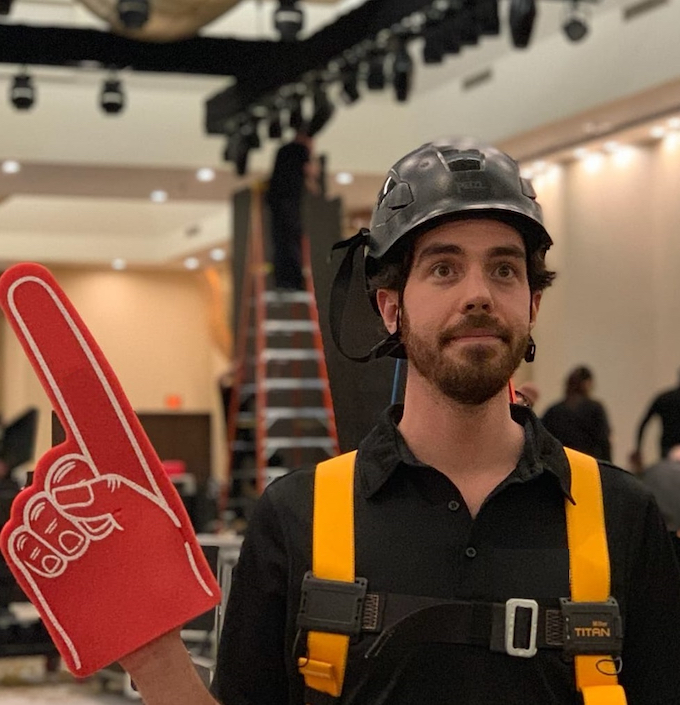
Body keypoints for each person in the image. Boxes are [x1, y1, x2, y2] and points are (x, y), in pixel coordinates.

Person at [76, 139, 680, 704]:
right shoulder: (298, 520)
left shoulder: (622, 516)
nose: (479, 294)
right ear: (391, 307)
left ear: (532, 303)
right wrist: (155, 659)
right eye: (444, 269)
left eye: (504, 270)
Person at [265, 128, 320, 291]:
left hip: (277, 201)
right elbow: (309, 173)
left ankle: (283, 281)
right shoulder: (299, 150)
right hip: (289, 202)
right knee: (292, 240)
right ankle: (293, 281)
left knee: (280, 241)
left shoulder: (283, 150)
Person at [541, 366, 612, 461]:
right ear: (588, 384)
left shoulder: (553, 411)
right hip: (588, 465)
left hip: (561, 465)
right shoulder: (595, 409)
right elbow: (604, 443)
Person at [631, 370, 680, 470]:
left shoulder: (664, 398)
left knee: (668, 478)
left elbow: (644, 423)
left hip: (668, 444)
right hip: (669, 443)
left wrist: (638, 448)